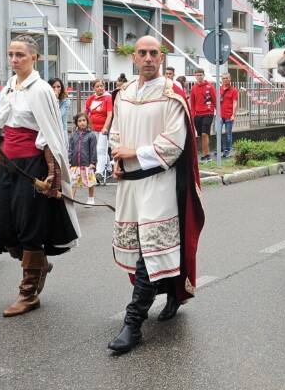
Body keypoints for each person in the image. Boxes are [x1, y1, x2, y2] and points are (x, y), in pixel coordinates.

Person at [107, 35, 204, 354]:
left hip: (159, 182)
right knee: (140, 251)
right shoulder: (123, 93)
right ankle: (173, 292)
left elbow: (173, 144)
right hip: (130, 185)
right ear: (134, 58)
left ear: (161, 58)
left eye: (153, 53)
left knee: (151, 250)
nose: (148, 58)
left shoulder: (172, 93)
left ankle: (132, 324)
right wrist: (118, 159)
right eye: (142, 53)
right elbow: (115, 132)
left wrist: (133, 152)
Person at [0, 35, 80, 317]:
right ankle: (39, 265)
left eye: (20, 55)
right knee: (2, 227)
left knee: (29, 228)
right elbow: (0, 130)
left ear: (34, 58)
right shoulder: (9, 87)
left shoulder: (41, 89)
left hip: (32, 166)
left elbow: (50, 135)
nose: (14, 59)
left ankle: (28, 293)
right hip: (8, 164)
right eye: (11, 54)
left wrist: (53, 174)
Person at [85, 79, 113, 182]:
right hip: (92, 128)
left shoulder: (108, 98)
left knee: (100, 150)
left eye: (101, 86)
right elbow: (86, 113)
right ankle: (109, 169)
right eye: (97, 86)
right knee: (98, 150)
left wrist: (105, 127)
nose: (100, 88)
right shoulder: (91, 98)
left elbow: (110, 114)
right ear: (94, 88)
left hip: (103, 128)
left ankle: (99, 172)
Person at [68, 113, 98, 205]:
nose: (82, 123)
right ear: (76, 123)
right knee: (73, 183)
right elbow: (70, 149)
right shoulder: (73, 135)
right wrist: (69, 161)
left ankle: (91, 198)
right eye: (79, 121)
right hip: (75, 163)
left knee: (90, 182)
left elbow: (93, 150)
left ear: (87, 121)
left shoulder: (91, 135)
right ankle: (71, 200)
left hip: (87, 163)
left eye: (84, 120)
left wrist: (93, 162)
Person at [189, 68, 216, 162]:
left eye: (200, 75)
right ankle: (205, 153)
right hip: (197, 115)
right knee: (201, 135)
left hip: (208, 113)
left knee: (205, 134)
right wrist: (193, 116)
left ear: (204, 75)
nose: (199, 76)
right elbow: (192, 103)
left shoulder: (210, 86)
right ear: (195, 76)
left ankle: (206, 155)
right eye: (197, 75)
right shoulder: (193, 88)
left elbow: (215, 100)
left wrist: (218, 113)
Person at [219, 73, 239, 158]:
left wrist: (233, 115)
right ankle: (221, 149)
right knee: (218, 132)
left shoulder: (234, 90)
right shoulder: (219, 89)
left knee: (228, 134)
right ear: (221, 79)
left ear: (230, 79)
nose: (225, 80)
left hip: (229, 115)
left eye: (226, 78)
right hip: (220, 115)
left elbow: (235, 103)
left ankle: (228, 150)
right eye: (223, 78)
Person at [48, 77, 70, 147]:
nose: (56, 89)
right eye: (53, 87)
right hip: (49, 129)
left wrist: (55, 99)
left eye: (58, 86)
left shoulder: (65, 101)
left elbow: (58, 115)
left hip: (61, 130)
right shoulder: (46, 99)